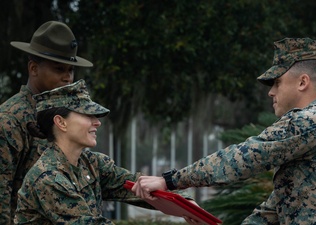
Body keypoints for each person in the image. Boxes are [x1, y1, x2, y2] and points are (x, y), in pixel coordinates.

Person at [132, 37, 316, 224]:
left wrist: (170, 181)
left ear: (302, 82)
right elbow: (276, 208)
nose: (271, 92)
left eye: (277, 82)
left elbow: (243, 158)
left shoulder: (313, 119)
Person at [14, 80, 197, 224]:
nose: (97, 122)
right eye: (88, 115)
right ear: (61, 122)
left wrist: (186, 205)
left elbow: (137, 187)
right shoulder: (48, 178)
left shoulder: (92, 163)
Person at [0, 21, 93, 224]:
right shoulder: (10, 120)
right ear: (33, 68)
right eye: (59, 69)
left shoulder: (63, 116)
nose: (67, 77)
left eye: (71, 70)